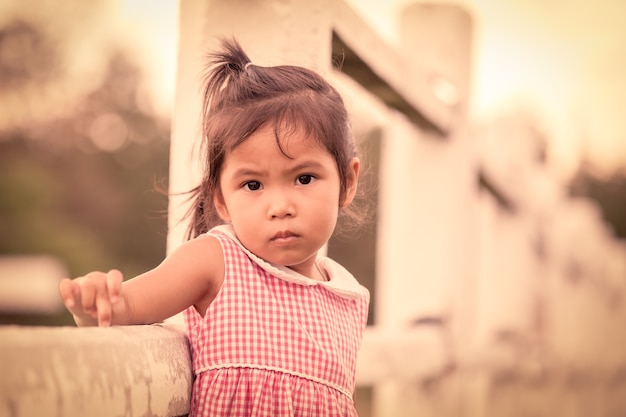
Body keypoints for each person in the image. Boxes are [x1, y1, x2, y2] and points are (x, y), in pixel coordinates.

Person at [59, 38, 370, 417]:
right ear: (220, 198)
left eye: (304, 178)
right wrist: (99, 304)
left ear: (347, 181)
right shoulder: (219, 261)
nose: (280, 207)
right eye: (252, 185)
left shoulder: (348, 296)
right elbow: (131, 305)